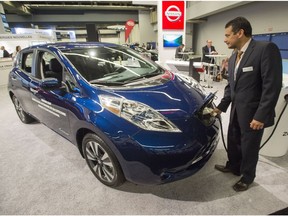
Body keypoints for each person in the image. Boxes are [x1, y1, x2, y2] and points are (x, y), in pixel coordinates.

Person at [213, 17, 282, 192]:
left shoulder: (265, 49)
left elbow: (271, 86)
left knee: (249, 147)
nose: (225, 39)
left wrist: (261, 115)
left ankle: (247, 177)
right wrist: (221, 107)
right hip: (237, 110)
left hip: (253, 113)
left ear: (240, 33)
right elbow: (231, 86)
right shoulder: (234, 55)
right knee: (234, 139)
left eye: (228, 35)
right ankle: (234, 166)